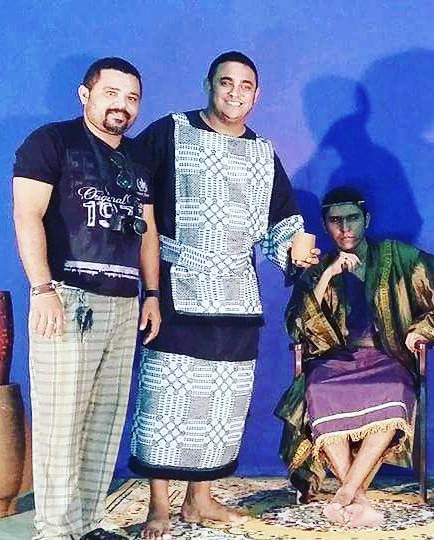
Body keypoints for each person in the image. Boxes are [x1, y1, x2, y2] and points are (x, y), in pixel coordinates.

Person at [128, 51, 319, 539]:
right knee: (164, 397)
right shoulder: (171, 132)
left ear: (257, 95)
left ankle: (200, 498)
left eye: (245, 86)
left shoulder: (262, 152)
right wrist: (148, 284)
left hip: (236, 295)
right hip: (177, 286)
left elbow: (281, 223)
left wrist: (296, 251)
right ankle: (159, 505)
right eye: (226, 82)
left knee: (221, 402)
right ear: (208, 84)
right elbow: (133, 195)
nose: (235, 93)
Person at [13, 57, 161, 540]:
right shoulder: (52, 142)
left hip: (123, 301)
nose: (122, 105)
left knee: (104, 419)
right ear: (86, 94)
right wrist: (42, 289)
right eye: (111, 93)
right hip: (66, 298)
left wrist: (152, 293)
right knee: (61, 422)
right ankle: (56, 531)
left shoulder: (138, 158)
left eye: (132, 98)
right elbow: (27, 216)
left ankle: (89, 522)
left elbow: (148, 231)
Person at [275, 186, 434, 528]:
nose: (345, 228)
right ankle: (356, 496)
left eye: (352, 218)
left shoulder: (396, 256)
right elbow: (298, 326)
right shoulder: (318, 268)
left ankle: (345, 494)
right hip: (334, 361)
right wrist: (328, 275)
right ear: (325, 225)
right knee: (317, 390)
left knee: (396, 390)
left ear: (367, 220)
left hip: (386, 357)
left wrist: (423, 329)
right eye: (335, 221)